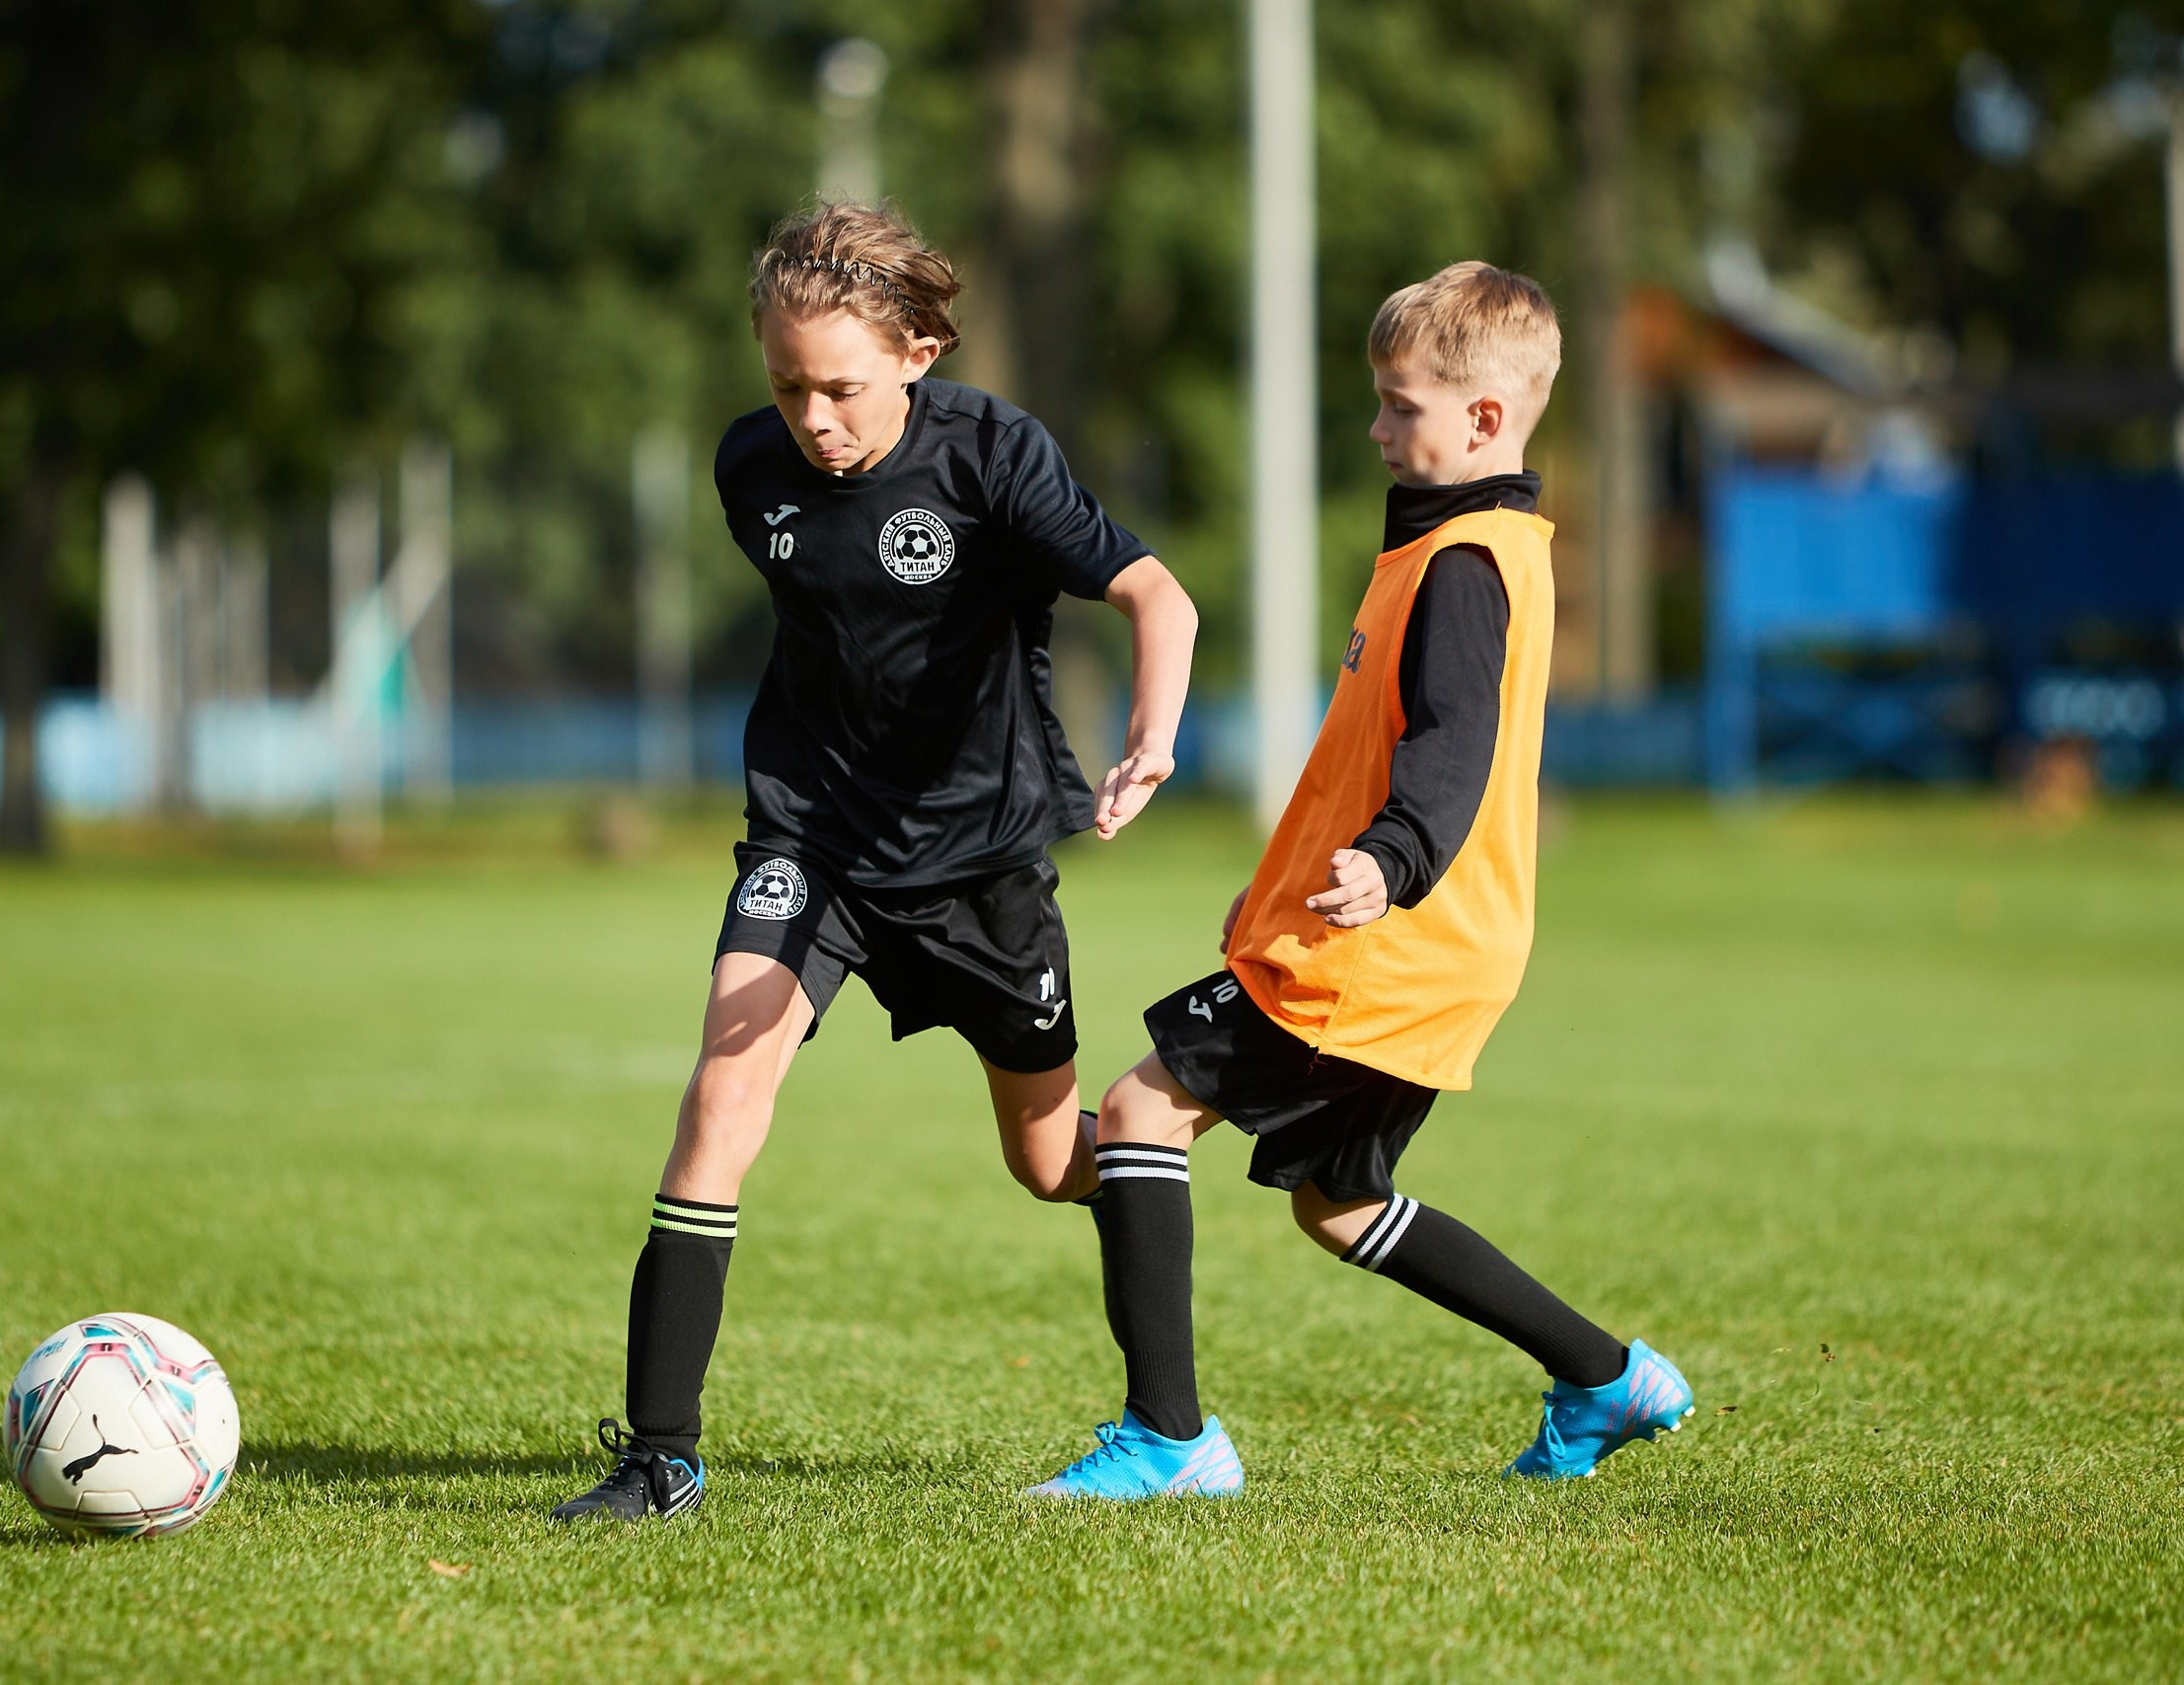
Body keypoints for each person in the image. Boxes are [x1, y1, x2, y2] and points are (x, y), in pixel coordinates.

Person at [553, 200, 1199, 1523]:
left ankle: (1158, 1154)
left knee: (1048, 1158)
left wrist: (1150, 741)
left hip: (983, 864)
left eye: (840, 387)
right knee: (720, 1095)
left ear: (920, 350)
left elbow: (1157, 593)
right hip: (816, 842)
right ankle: (659, 1455)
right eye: (788, 386)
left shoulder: (994, 457)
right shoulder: (751, 470)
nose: (814, 418)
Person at [1029, 262, 1692, 1501]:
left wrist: (1386, 869)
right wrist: (1276, 885)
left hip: (1392, 941)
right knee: (1336, 1201)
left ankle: (1169, 1443)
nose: (1379, 430)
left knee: (1137, 1113)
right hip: (1429, 938)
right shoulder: (1470, 549)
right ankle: (1603, 1374)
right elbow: (1365, 760)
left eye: (1399, 407)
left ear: (1485, 419)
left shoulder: (1460, 566)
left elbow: (1450, 752)